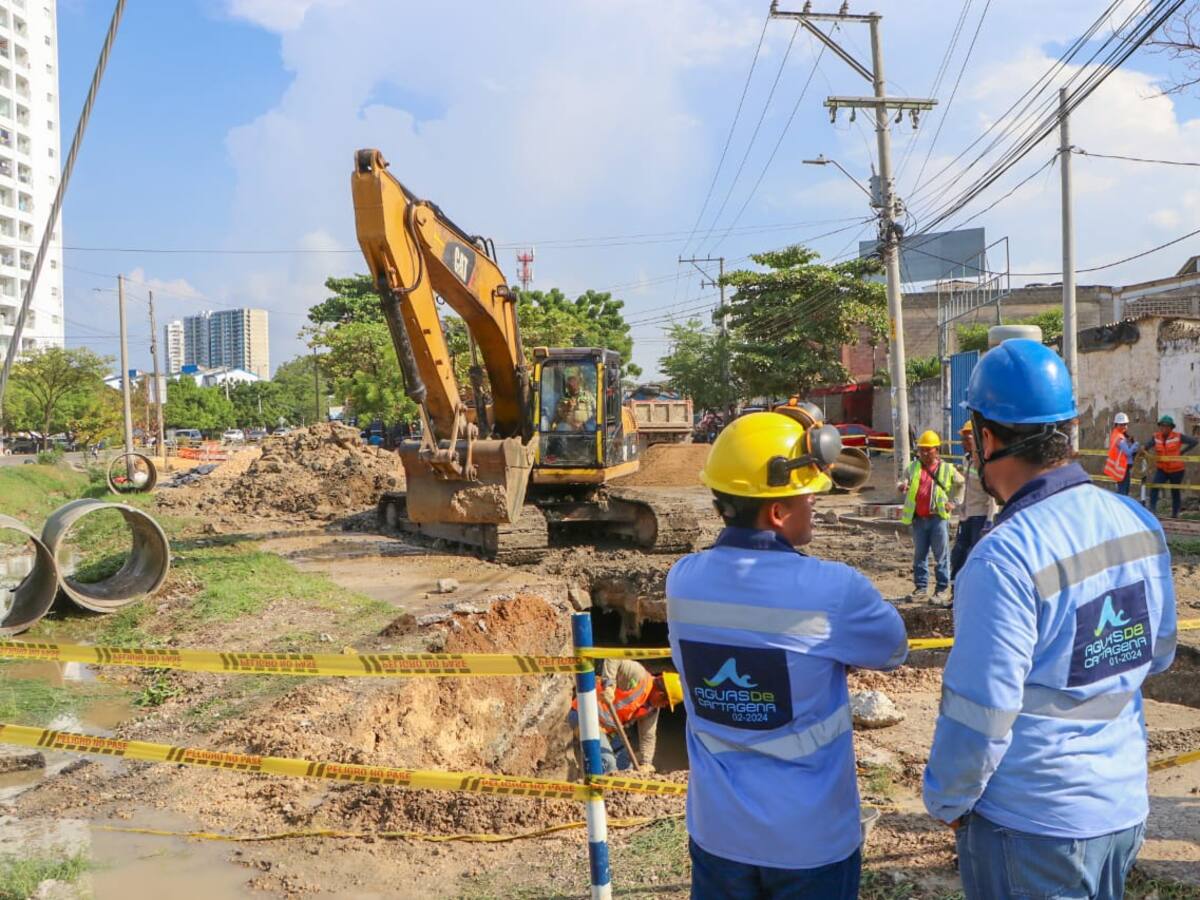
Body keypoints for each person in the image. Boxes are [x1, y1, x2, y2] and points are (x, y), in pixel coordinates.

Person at [923, 340, 1176, 900]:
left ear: (986, 439)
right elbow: (1157, 652)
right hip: (1122, 806)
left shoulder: (1003, 557)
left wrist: (948, 799)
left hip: (1033, 821)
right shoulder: (1136, 522)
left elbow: (980, 710)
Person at [667, 411, 908, 899]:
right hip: (809, 842)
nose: (815, 506)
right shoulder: (833, 590)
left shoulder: (682, 581)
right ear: (777, 512)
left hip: (719, 834)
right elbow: (892, 647)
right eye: (809, 497)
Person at [571, 660, 681, 773]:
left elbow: (648, 736)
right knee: (608, 763)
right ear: (661, 694)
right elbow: (613, 659)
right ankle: (595, 786)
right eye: (666, 704)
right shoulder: (638, 675)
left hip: (607, 730)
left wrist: (646, 763)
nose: (663, 707)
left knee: (626, 767)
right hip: (585, 714)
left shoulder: (651, 709)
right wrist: (609, 685)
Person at [899, 430, 964, 603]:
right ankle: (921, 588)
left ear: (937, 450)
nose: (924, 453)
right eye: (922, 450)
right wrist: (902, 485)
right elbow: (902, 480)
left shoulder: (946, 468)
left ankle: (942, 589)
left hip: (938, 519)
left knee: (941, 555)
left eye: (928, 450)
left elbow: (962, 484)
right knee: (919, 555)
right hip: (919, 519)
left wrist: (955, 503)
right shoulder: (913, 467)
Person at [948, 421, 995, 583]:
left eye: (968, 439)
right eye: (963, 440)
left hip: (980, 518)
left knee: (975, 556)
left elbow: (992, 496)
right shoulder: (966, 459)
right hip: (966, 516)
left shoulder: (986, 463)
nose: (964, 443)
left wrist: (989, 520)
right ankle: (956, 593)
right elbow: (965, 487)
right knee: (958, 556)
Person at [1148, 414, 1197, 518]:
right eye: (1162, 426)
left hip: (1177, 470)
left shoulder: (1178, 436)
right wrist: (1143, 450)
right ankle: (1151, 512)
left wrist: (1182, 451)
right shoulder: (1156, 437)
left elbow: (1194, 441)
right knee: (1154, 487)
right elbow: (1147, 446)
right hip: (1162, 469)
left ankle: (1175, 514)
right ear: (1160, 426)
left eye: (1167, 426)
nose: (1164, 428)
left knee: (1175, 491)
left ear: (1171, 427)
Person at [1103, 412, 1140, 496]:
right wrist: (1135, 445)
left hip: (1120, 467)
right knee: (1123, 491)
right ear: (1116, 425)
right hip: (1122, 468)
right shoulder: (1119, 438)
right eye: (1122, 425)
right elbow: (1128, 452)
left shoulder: (1116, 434)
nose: (1124, 427)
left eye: (1125, 424)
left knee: (1123, 489)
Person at [550, 367, 596, 432]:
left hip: (586, 426)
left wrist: (584, 424)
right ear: (567, 386)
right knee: (561, 428)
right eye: (570, 382)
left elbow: (597, 411)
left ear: (578, 383)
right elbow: (557, 416)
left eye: (574, 381)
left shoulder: (588, 395)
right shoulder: (563, 398)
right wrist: (567, 407)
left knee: (592, 427)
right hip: (568, 426)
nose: (572, 384)